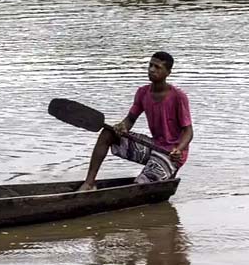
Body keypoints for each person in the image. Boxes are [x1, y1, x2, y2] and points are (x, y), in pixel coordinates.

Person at [78, 52, 193, 191]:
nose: (151, 69)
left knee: (140, 186)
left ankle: (166, 169)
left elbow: (188, 131)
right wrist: (122, 127)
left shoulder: (178, 97)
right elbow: (130, 120)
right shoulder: (142, 93)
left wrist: (179, 149)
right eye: (150, 65)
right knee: (107, 134)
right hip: (153, 145)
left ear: (168, 72)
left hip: (171, 154)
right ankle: (89, 183)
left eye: (157, 67)